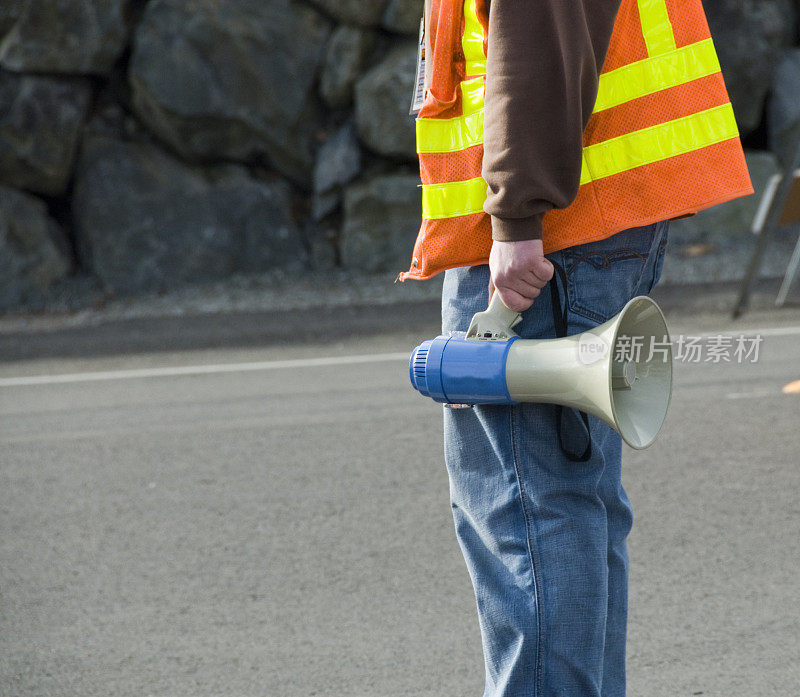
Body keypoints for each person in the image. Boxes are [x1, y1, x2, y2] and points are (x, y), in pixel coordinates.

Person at [400, 1, 753, 695]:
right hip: (596, 215)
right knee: (571, 503)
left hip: (548, 234)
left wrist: (516, 215)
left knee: (528, 513)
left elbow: (535, 26)